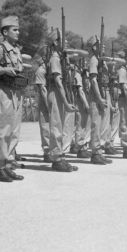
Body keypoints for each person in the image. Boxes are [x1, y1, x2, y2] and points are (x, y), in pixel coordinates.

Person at [0, 16, 27, 182]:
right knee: (3, 130)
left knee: (14, 130)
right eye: (15, 29)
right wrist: (5, 69)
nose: (18, 32)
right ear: (5, 32)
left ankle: (9, 164)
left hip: (16, 92)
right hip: (3, 92)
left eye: (18, 29)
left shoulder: (16, 49)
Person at [47, 30, 78, 171]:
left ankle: (61, 156)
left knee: (62, 127)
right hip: (55, 92)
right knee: (56, 127)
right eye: (62, 40)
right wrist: (65, 102)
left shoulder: (62, 58)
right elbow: (58, 82)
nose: (66, 42)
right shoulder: (55, 58)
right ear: (55, 42)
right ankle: (56, 158)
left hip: (62, 93)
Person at [86, 36, 112, 165]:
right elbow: (93, 80)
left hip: (103, 92)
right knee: (96, 124)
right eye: (100, 44)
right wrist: (100, 99)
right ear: (94, 47)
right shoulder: (93, 60)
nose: (103, 46)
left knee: (103, 125)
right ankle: (95, 153)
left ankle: (100, 151)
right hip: (97, 96)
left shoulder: (102, 61)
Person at [33, 51, 51, 162]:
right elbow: (43, 90)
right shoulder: (41, 71)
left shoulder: (49, 70)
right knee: (45, 128)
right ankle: (47, 152)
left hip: (51, 101)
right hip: (45, 104)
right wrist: (49, 106)